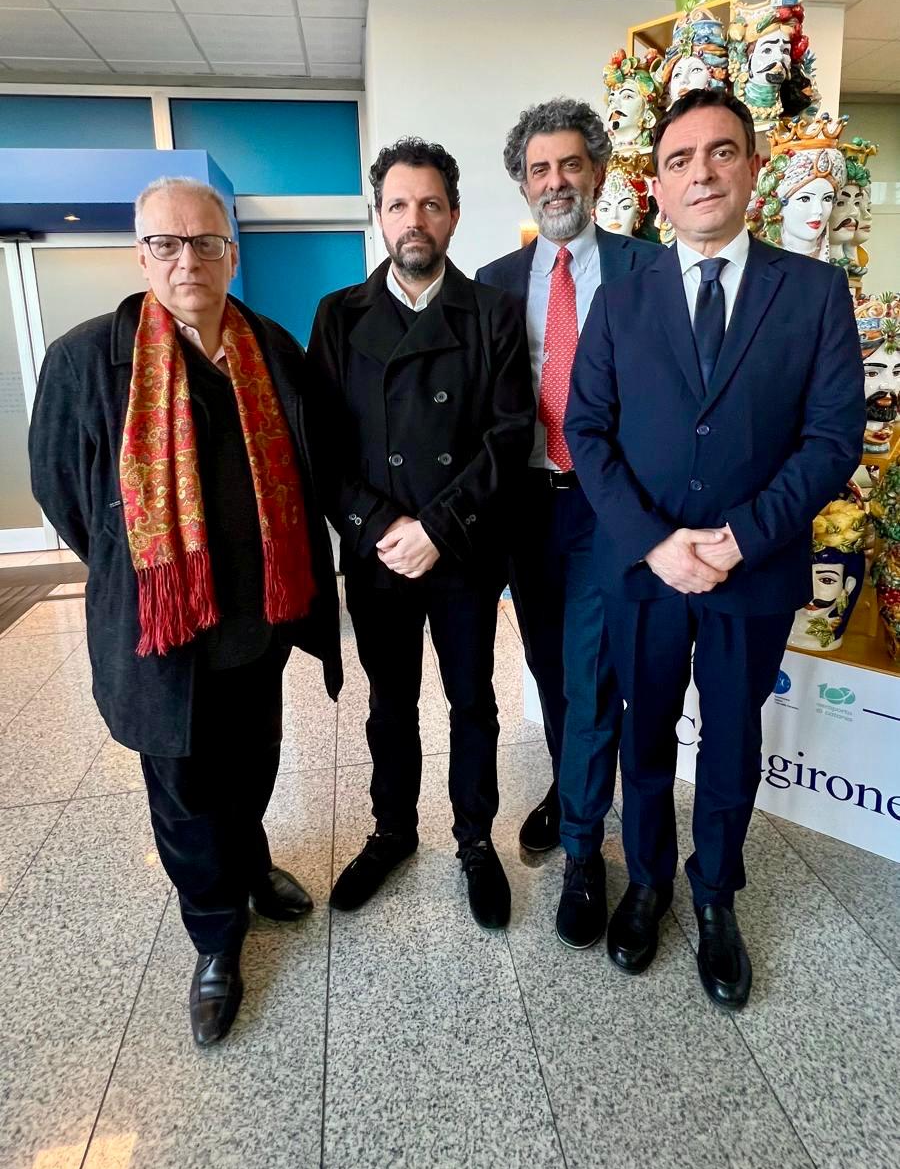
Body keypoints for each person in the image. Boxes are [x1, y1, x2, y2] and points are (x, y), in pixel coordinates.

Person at [564, 89, 865, 1007]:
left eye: (721, 152)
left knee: (732, 743)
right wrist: (655, 543)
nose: (701, 172)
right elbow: (586, 430)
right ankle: (649, 881)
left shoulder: (812, 292)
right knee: (645, 733)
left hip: (753, 574)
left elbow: (832, 438)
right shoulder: (620, 301)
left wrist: (742, 539)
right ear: (657, 187)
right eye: (679, 159)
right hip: (645, 574)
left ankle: (715, 895)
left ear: (753, 169)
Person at [29, 177, 341, 1047]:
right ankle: (215, 937)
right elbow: (61, 490)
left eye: (205, 242)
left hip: (260, 621)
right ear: (141, 257)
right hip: (163, 633)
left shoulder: (270, 348)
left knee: (254, 763)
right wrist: (149, 569)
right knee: (184, 792)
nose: (187, 260)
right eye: (165, 244)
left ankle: (253, 865)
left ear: (231, 253)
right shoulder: (88, 360)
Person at [307, 138, 534, 930]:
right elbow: (322, 445)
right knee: (389, 702)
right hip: (379, 555)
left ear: (454, 216)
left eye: (430, 204)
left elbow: (508, 435)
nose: (415, 219)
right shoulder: (338, 315)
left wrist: (438, 526)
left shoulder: (493, 313)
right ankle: (393, 831)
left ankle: (475, 839)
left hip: (463, 548)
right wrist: (379, 526)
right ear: (378, 217)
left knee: (473, 702)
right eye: (399, 204)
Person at [476, 99, 656, 947]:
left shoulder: (647, 269)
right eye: (539, 169)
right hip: (524, 505)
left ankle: (585, 851)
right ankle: (567, 784)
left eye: (570, 165)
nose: (555, 182)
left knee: (589, 671)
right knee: (549, 668)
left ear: (599, 173)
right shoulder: (493, 282)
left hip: (606, 504)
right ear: (523, 183)